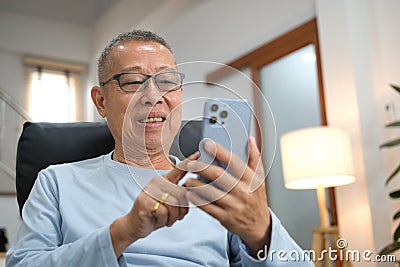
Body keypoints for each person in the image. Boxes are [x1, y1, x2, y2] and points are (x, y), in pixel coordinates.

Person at [6, 30, 313, 266]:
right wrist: (122, 232)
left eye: (167, 81)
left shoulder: (214, 183)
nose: (153, 96)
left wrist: (262, 231)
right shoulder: (57, 182)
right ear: (101, 101)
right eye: (132, 81)